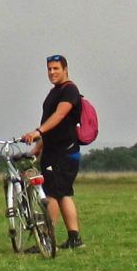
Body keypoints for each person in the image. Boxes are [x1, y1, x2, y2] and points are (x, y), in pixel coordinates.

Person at [26, 53, 84, 250]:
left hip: (64, 152)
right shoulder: (55, 91)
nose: (52, 72)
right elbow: (51, 125)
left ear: (65, 69)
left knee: (51, 193)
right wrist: (39, 146)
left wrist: (37, 132)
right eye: (49, 69)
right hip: (53, 150)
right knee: (62, 193)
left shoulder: (70, 91)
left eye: (56, 69)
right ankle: (74, 238)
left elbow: (59, 116)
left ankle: (47, 239)